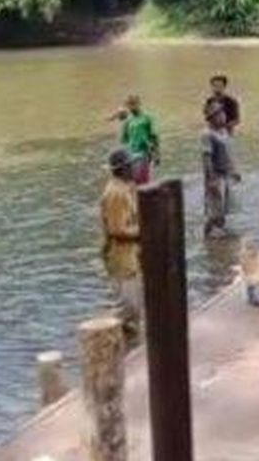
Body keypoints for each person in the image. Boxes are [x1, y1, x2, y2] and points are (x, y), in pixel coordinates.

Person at [100, 149, 142, 338]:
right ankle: (105, 337)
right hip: (121, 255)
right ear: (123, 169)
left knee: (133, 305)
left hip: (129, 254)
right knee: (128, 307)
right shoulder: (116, 193)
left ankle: (129, 344)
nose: (136, 168)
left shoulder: (125, 188)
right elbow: (117, 230)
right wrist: (144, 232)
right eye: (132, 165)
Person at [201, 101, 239, 237]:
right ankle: (211, 230)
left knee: (225, 205)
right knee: (215, 205)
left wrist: (235, 170)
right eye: (219, 114)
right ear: (212, 118)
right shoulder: (207, 134)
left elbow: (229, 152)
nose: (223, 116)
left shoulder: (223, 131)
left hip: (226, 173)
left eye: (223, 113)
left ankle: (218, 228)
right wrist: (211, 179)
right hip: (216, 174)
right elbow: (207, 158)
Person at [119, 95, 159, 185]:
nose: (132, 107)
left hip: (144, 152)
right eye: (129, 105)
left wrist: (157, 154)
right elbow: (124, 139)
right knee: (133, 180)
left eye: (133, 104)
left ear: (139, 104)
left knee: (143, 179)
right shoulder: (128, 120)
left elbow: (154, 136)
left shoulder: (147, 117)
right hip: (131, 154)